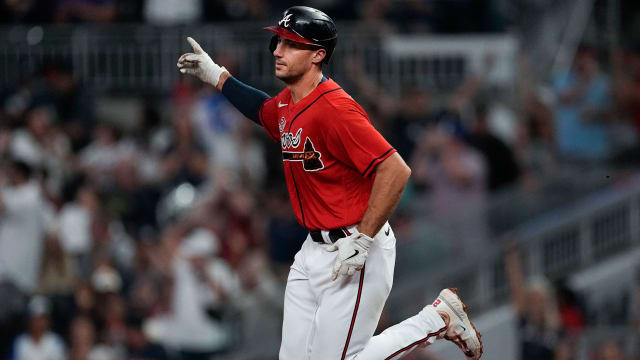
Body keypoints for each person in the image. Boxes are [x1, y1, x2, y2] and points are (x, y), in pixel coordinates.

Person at [177, 6, 483, 359]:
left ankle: (437, 319)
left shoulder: (336, 108)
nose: (278, 50)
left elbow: (396, 170)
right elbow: (262, 111)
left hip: (354, 246)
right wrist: (217, 76)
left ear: (318, 55)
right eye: (279, 41)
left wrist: (365, 239)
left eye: (291, 44)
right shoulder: (289, 103)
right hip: (313, 251)